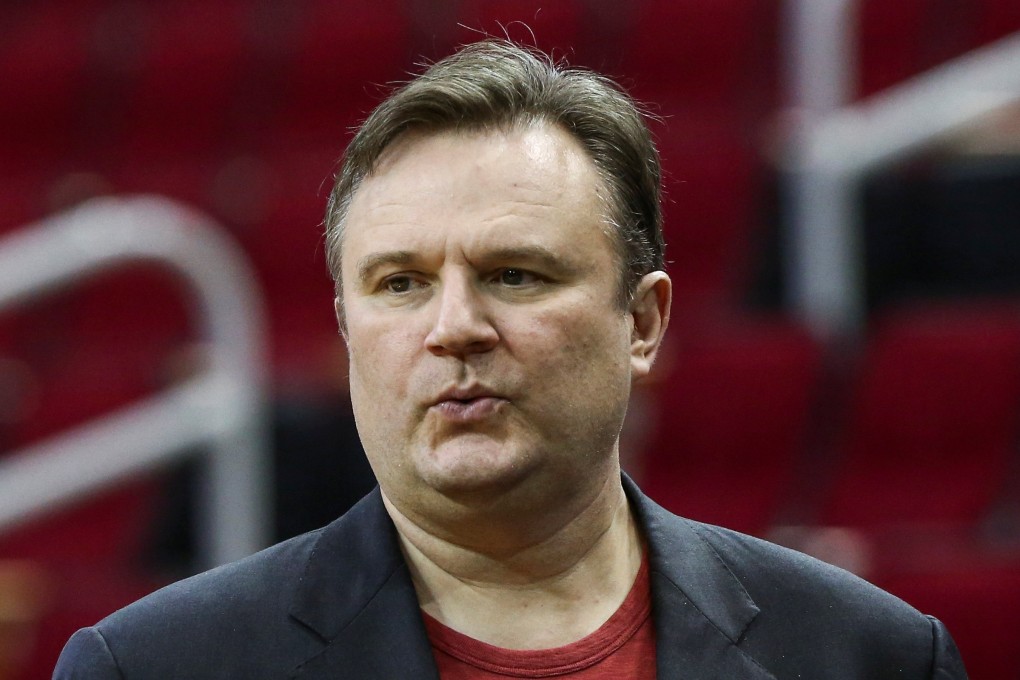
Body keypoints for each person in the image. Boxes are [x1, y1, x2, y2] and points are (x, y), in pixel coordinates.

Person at [54, 40, 967, 679]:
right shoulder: (153, 665)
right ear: (345, 328)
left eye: (515, 274)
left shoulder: (868, 654)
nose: (453, 327)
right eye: (401, 284)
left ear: (643, 322)